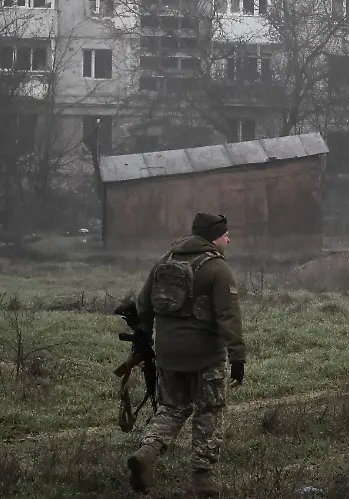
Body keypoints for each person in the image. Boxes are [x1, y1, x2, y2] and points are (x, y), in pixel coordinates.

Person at [127, 212, 245, 497]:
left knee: (172, 408)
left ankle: (147, 452)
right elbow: (229, 316)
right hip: (205, 358)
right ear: (214, 236)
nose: (229, 238)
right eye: (225, 234)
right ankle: (201, 480)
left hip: (168, 356)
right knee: (209, 412)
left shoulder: (164, 260)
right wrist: (238, 357)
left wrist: (144, 341)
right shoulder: (216, 268)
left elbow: (143, 305)